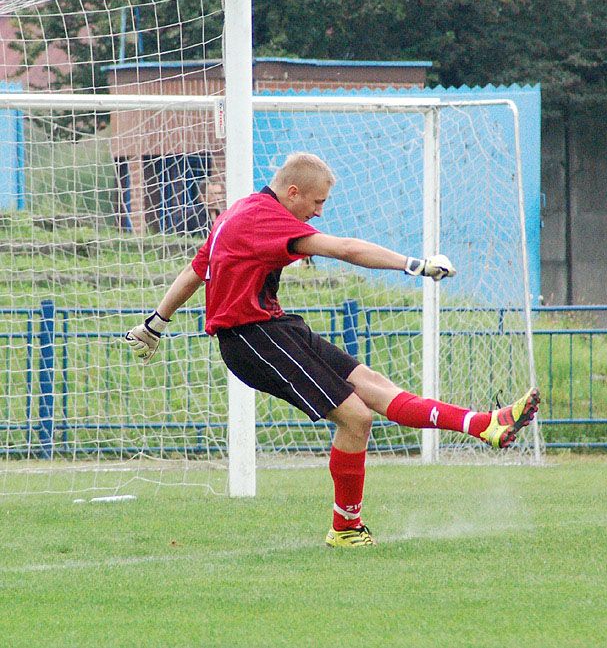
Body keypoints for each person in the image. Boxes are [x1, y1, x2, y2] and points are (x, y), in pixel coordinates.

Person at [125, 152, 540, 548]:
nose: (319, 212)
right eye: (317, 201)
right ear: (292, 193)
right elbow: (344, 249)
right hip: (251, 337)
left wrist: (155, 324)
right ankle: (346, 528)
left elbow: (196, 271)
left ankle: (485, 425)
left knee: (373, 386)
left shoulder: (238, 212)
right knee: (357, 417)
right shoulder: (265, 217)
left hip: (274, 327)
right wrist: (415, 265)